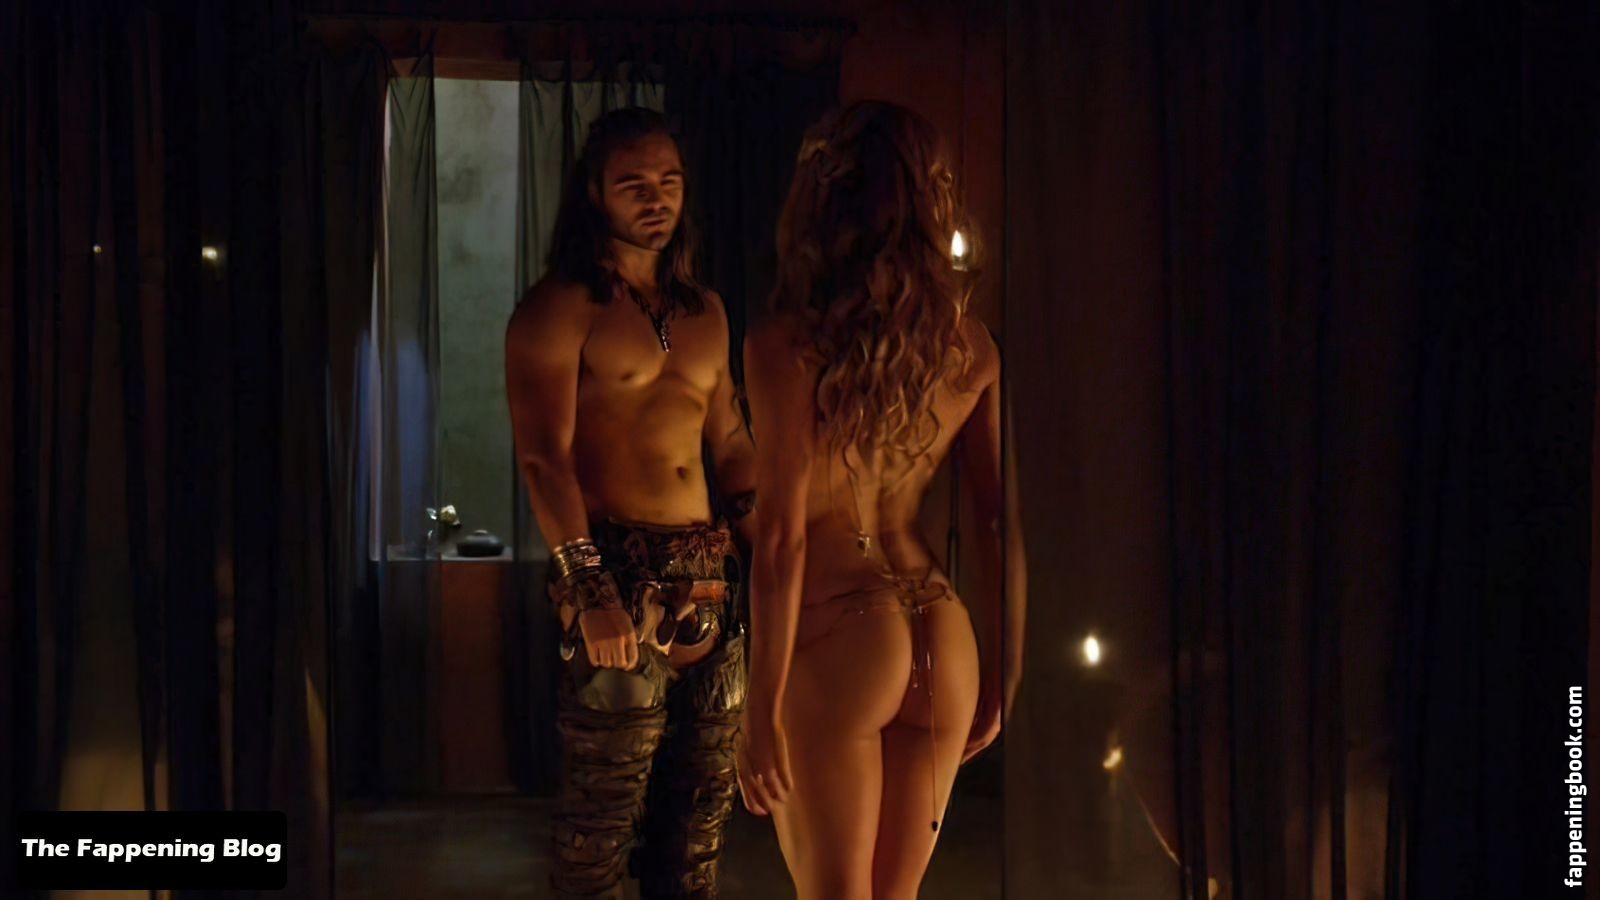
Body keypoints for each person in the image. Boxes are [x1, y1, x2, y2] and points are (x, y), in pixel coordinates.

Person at [736, 100, 1027, 899]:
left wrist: (760, 707)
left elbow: (784, 540)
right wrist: (1004, 671)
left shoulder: (785, 347)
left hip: (841, 634)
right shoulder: (971, 346)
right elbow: (997, 520)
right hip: (943, 633)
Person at [504, 106, 756, 900]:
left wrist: (781, 552)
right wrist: (590, 589)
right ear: (595, 193)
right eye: (634, 184)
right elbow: (543, 458)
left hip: (709, 583)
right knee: (599, 827)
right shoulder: (560, 307)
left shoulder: (706, 311)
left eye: (669, 182)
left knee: (698, 828)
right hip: (614, 574)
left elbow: (732, 443)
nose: (656, 199)